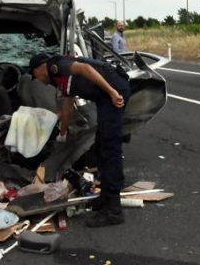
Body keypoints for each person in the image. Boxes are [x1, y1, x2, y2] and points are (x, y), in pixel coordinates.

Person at [28, 52, 130, 227]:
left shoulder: (57, 66)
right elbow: (67, 106)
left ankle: (114, 210)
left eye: (35, 76)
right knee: (99, 148)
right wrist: (62, 133)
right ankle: (105, 196)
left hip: (114, 92)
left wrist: (112, 92)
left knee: (109, 148)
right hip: (105, 97)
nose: (38, 80)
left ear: (37, 71)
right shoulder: (59, 80)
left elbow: (85, 68)